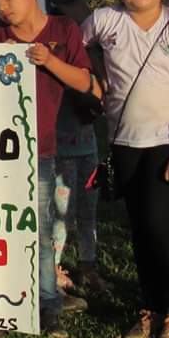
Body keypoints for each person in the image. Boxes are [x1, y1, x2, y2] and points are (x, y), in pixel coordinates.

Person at [83, 0, 169, 338]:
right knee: (139, 229)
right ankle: (149, 307)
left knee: (158, 224)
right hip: (122, 143)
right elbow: (80, 50)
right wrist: (96, 77)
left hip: (165, 143)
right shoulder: (104, 20)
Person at [0, 0, 94, 338]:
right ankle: (2, 303)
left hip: (43, 150)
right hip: (2, 152)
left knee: (40, 230)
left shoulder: (64, 30)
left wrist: (50, 62)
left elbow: (85, 82)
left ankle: (48, 306)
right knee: (1, 227)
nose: (3, 7)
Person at [53, 97, 105, 294]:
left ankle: (88, 265)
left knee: (88, 212)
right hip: (61, 149)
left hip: (88, 146)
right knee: (62, 215)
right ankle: (53, 268)